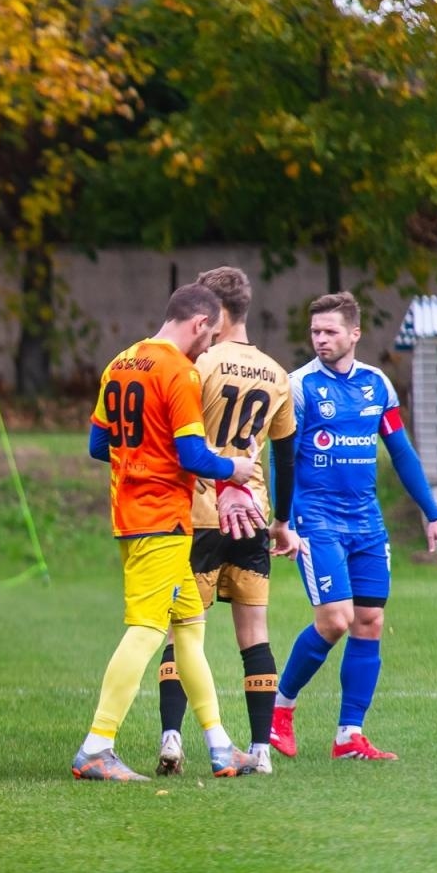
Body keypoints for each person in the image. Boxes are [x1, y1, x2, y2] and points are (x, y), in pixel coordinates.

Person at [74, 283, 261, 781]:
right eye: (211, 336)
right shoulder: (180, 371)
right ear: (199, 324)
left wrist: (153, 458)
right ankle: (96, 747)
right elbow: (193, 455)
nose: (209, 347)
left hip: (132, 515)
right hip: (161, 520)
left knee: (190, 629)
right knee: (146, 631)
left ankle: (220, 747)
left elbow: (98, 445)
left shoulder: (121, 361)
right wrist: (235, 469)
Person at [269, 291, 437, 762]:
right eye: (315, 331)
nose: (320, 339)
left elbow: (402, 453)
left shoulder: (377, 385)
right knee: (336, 619)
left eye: (330, 331)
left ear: (355, 333)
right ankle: (279, 710)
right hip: (316, 519)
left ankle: (349, 735)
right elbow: (281, 457)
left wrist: (434, 515)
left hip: (366, 521)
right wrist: (282, 521)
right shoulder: (300, 387)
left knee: (369, 621)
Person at [154, 267, 297, 777]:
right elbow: (285, 456)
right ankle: (261, 750)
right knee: (254, 634)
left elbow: (181, 438)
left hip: (199, 513)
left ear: (210, 311)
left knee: (182, 631)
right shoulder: (277, 374)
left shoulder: (200, 364)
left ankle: (172, 738)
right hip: (252, 515)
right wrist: (283, 521)